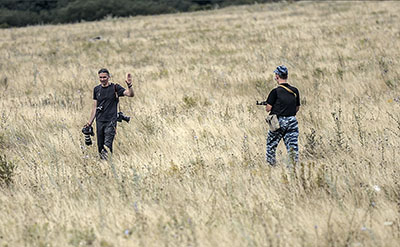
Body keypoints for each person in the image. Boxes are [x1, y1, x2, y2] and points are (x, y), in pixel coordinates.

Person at [85, 68, 134, 159]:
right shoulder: (96, 89)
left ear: (109, 77)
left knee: (107, 145)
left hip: (111, 121)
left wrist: (129, 85)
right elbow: (94, 107)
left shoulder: (115, 88)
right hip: (99, 121)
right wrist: (89, 123)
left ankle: (108, 165)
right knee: (100, 147)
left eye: (104, 77)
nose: (102, 79)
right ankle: (104, 167)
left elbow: (130, 94)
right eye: (101, 77)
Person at [264, 65, 300, 166]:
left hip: (278, 122)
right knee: (292, 147)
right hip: (292, 121)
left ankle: (271, 166)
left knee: (271, 145)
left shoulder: (275, 92)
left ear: (277, 76)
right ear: (286, 76)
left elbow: (268, 109)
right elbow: (297, 108)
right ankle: (293, 168)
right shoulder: (295, 91)